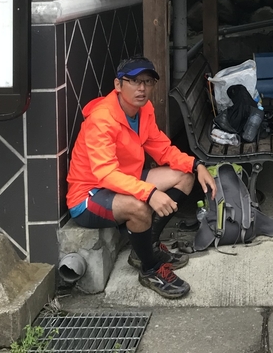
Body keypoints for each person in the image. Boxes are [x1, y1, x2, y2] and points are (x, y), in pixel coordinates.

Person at [66, 56, 216, 300]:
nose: (142, 88)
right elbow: (105, 174)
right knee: (139, 208)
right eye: (134, 81)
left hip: (124, 180)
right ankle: (150, 269)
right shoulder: (101, 119)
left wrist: (196, 164)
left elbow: (162, 149)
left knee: (184, 177)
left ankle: (146, 249)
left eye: (148, 82)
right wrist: (149, 193)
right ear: (118, 85)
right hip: (89, 195)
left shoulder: (144, 110)